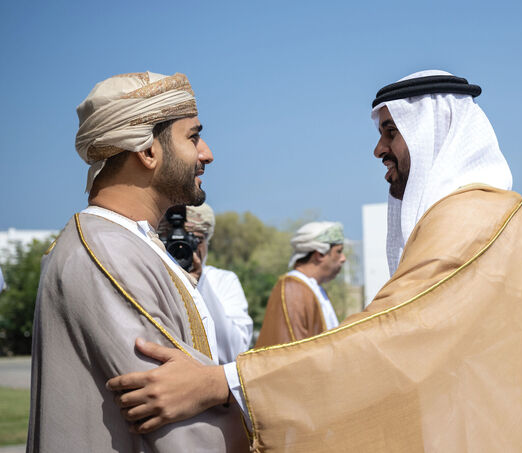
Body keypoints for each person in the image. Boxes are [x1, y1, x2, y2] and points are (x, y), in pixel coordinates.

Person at [108, 70, 522, 451]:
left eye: (391, 132)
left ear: (436, 135)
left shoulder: (471, 219)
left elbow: (391, 336)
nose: (379, 149)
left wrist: (224, 383)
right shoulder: (485, 214)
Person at [27, 72, 247, 452]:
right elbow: (178, 424)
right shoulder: (106, 253)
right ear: (147, 152)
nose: (206, 153)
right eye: (193, 137)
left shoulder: (130, 244)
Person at [157, 202, 253, 363]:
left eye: (194, 239)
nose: (181, 247)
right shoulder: (150, 275)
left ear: (207, 241)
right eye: (171, 238)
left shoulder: (223, 281)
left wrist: (197, 283)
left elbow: (233, 353)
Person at [255, 221, 345, 347]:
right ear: (319, 254)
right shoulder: (293, 288)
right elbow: (293, 353)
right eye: (339, 251)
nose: (343, 258)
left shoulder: (313, 288)